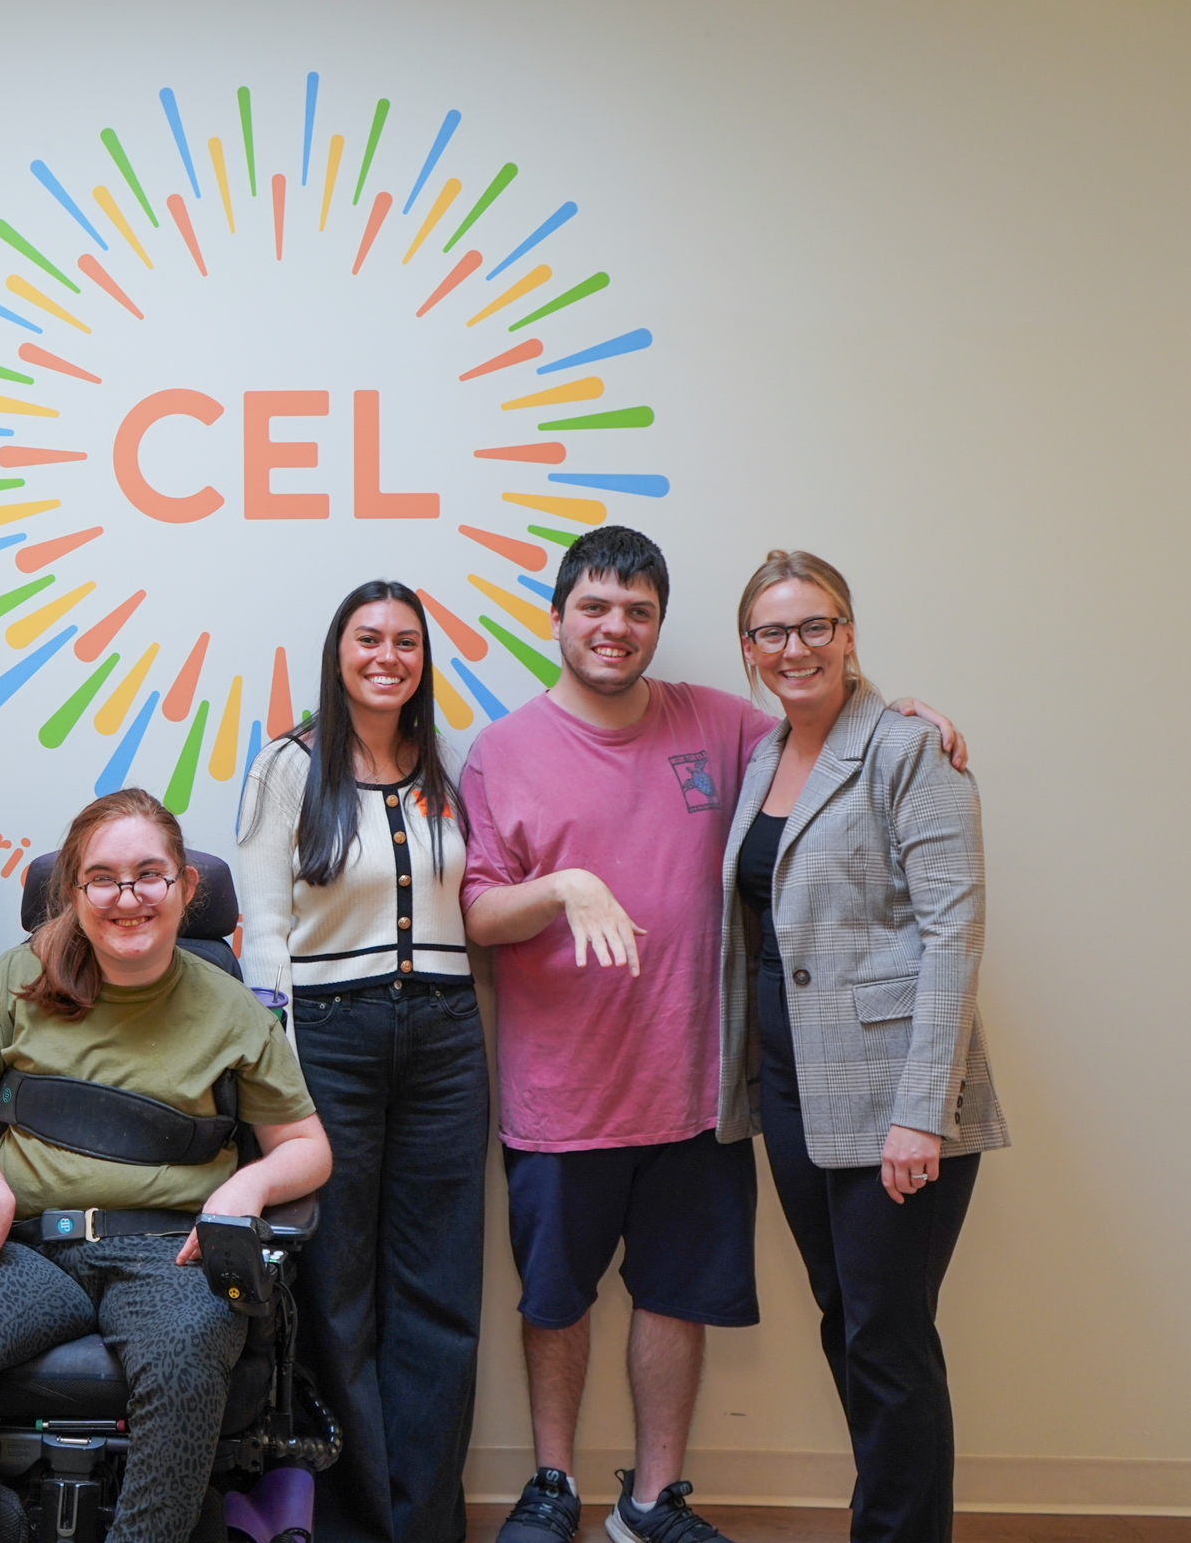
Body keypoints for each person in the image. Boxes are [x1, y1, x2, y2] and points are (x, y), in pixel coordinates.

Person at [458, 527, 966, 1543]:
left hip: (701, 1082)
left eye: (636, 609)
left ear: (659, 623)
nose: (615, 627)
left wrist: (913, 714)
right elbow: (474, 912)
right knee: (554, 1296)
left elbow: (825, 730)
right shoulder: (501, 751)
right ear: (555, 617)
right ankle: (551, 1484)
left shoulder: (725, 727)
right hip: (559, 1089)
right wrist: (558, 886)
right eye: (594, 607)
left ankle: (650, 1500)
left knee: (676, 1292)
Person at [0, 788, 333, 1543]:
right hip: (29, 1248)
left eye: (149, 875)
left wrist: (246, 1187)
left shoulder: (230, 1006)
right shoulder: (16, 979)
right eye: (102, 878)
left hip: (170, 1256)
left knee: (187, 1350)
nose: (126, 897)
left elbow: (307, 1146)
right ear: (73, 891)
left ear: (185, 889)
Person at [720, 551, 1006, 1543]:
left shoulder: (907, 749)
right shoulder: (762, 755)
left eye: (814, 625)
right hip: (793, 1095)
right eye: (771, 632)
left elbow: (950, 935)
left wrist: (919, 1110)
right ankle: (892, 1519)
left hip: (895, 1098)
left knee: (885, 1338)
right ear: (747, 650)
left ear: (847, 632)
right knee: (848, 1323)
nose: (792, 647)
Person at [234, 580, 485, 1543]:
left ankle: (427, 1525)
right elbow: (264, 939)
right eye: (368, 639)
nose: (388, 656)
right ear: (337, 653)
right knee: (334, 1291)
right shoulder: (289, 767)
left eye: (408, 642)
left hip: (446, 1041)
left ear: (426, 661)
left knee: (440, 1292)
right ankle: (349, 1525)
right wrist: (281, 1078)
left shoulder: (446, 766)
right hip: (330, 1041)